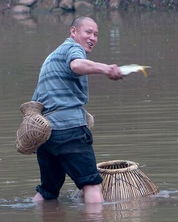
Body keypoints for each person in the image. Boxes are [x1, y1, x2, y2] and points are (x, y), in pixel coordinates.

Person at [31, 16, 123, 203]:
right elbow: (77, 64)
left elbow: (36, 101)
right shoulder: (73, 49)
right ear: (73, 32)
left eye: (96, 34)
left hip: (46, 136)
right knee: (92, 185)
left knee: (48, 192)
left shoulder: (53, 57)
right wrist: (106, 69)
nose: (93, 38)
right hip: (69, 130)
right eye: (88, 32)